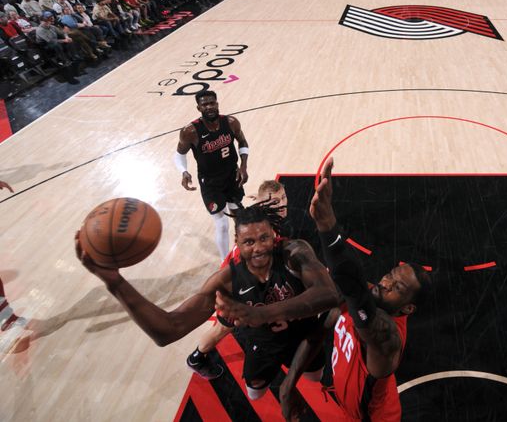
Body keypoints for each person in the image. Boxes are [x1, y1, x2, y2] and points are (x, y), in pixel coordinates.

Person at [229, 158, 432, 421]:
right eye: (389, 275)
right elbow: (326, 314)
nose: (385, 283)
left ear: (407, 308)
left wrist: (328, 228)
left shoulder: (387, 339)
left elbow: (353, 289)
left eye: (397, 287)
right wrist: (290, 383)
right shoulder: (369, 294)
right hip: (345, 400)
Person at [76, 202, 339, 399]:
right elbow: (168, 330)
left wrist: (262, 314)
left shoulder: (295, 252)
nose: (258, 247)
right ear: (237, 241)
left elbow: (329, 294)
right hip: (264, 347)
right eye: (249, 241)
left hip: (305, 339)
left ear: (274, 235)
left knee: (314, 378)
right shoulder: (225, 281)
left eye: (264, 238)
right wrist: (115, 283)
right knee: (254, 394)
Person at [187, 180, 289, 379]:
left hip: (243, 280)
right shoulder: (258, 230)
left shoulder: (263, 219)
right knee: (223, 328)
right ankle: (196, 358)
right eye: (275, 201)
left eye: (284, 198)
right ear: (263, 204)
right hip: (234, 288)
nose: (282, 204)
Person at [175, 90, 249, 260]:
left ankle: (242, 251)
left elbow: (242, 142)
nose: (209, 107)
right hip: (210, 182)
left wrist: (243, 166)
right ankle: (225, 263)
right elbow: (180, 154)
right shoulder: (190, 131)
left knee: (238, 216)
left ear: (217, 103)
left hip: (232, 176)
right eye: (205, 104)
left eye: (212, 103)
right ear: (198, 108)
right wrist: (184, 171)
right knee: (222, 223)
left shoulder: (230, 122)